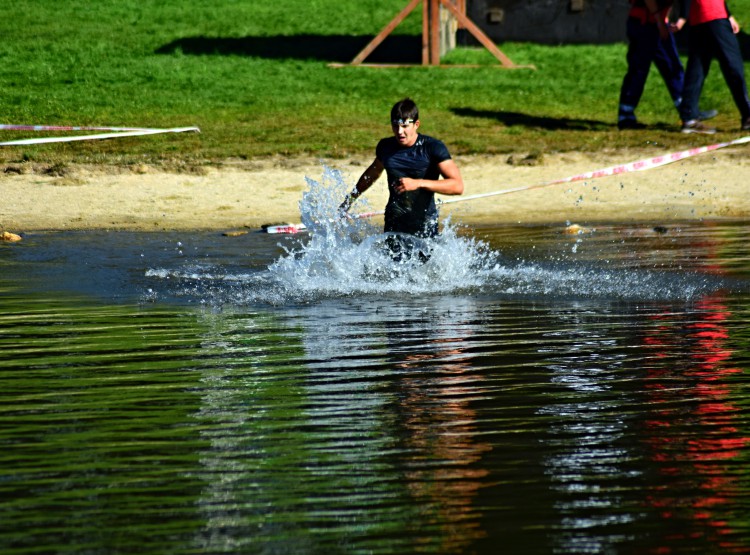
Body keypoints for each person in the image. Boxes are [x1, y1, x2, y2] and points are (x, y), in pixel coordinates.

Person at [339, 98, 464, 252]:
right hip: (394, 223)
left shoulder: (432, 148)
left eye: (405, 126)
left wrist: (418, 183)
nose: (399, 132)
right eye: (395, 126)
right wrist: (350, 199)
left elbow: (457, 186)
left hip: (424, 226)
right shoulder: (386, 147)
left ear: (416, 124)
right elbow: (372, 174)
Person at [618, 0, 718, 130]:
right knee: (639, 70)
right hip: (645, 24)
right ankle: (626, 116)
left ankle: (688, 111)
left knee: (673, 68)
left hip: (653, 23)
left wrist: (675, 19)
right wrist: (660, 21)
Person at [671, 0, 750, 134]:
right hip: (712, 15)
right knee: (733, 64)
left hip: (702, 17)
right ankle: (748, 116)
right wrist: (683, 17)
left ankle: (689, 118)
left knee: (698, 67)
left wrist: (728, 15)